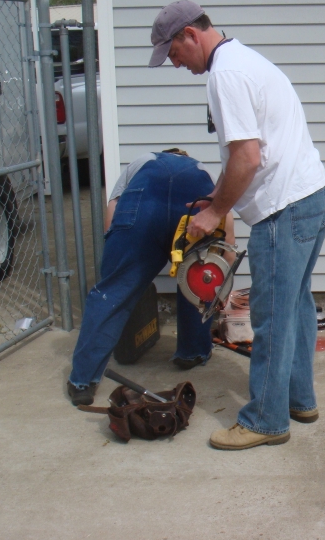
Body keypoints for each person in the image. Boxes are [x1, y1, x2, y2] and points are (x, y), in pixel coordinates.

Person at [149, 0, 325, 450]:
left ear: (191, 35)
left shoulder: (225, 75)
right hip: (312, 195)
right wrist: (217, 197)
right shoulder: (245, 60)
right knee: (297, 305)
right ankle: (299, 400)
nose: (176, 64)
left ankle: (266, 421)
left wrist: (213, 214)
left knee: (271, 318)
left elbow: (248, 158)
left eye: (174, 53)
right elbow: (250, 153)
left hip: (283, 209)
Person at [66, 149, 235, 406]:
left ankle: (83, 382)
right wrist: (220, 284)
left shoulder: (140, 163)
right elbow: (226, 231)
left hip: (144, 203)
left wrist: (116, 275)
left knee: (111, 292)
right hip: (193, 207)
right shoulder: (204, 171)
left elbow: (112, 218)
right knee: (198, 279)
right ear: (185, 156)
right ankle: (192, 352)